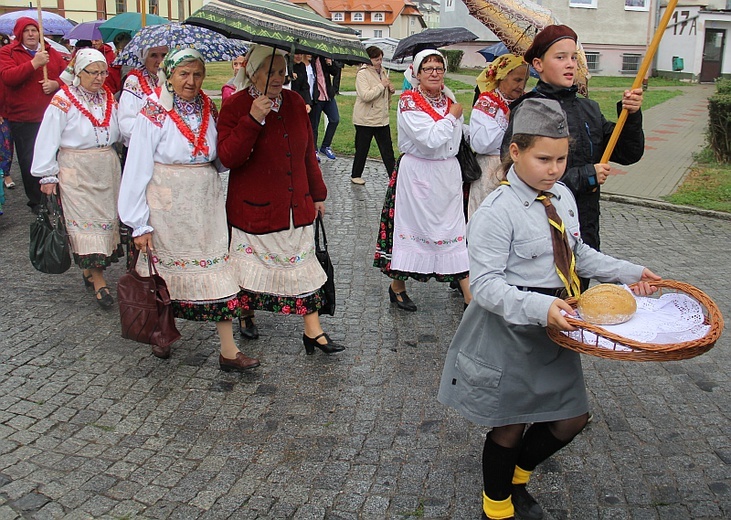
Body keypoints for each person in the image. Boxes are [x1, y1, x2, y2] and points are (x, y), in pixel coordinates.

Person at [438, 98, 661, 520]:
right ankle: (497, 506)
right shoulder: (497, 211)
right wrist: (543, 307)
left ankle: (519, 475)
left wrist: (629, 272)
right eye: (544, 159)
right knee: (510, 425)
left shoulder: (561, 195)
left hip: (556, 326)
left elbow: (577, 254)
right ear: (515, 153)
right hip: (510, 329)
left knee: (571, 418)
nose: (555, 169)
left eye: (561, 158)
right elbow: (484, 286)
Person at [118, 48, 260, 370]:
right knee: (163, 276)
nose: (191, 81)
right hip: (168, 206)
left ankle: (228, 350)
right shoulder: (153, 111)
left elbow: (218, 156)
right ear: (169, 75)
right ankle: (161, 334)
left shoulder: (209, 106)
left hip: (206, 204)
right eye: (183, 74)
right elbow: (137, 165)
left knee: (217, 273)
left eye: (197, 74)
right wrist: (138, 223)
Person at [217, 44, 345, 356]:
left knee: (303, 267)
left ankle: (313, 331)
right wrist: (253, 119)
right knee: (249, 270)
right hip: (254, 210)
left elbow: (306, 154)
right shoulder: (235, 106)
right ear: (252, 72)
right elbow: (228, 157)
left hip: (295, 206)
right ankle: (246, 313)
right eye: (270, 71)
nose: (279, 77)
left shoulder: (294, 101)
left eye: (281, 70)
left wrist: (318, 194)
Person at [501, 25, 645, 289]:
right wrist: (585, 175)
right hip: (539, 225)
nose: (570, 64)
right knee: (545, 300)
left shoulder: (588, 108)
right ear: (538, 64)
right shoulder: (530, 108)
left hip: (584, 222)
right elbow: (514, 170)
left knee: (578, 295)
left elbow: (628, 153)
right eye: (560, 57)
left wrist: (631, 115)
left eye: (574, 57)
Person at [373, 49, 472, 312]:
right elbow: (428, 139)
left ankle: (468, 294)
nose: (434, 73)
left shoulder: (448, 98)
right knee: (412, 231)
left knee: (453, 231)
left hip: (447, 174)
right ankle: (397, 286)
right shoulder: (408, 101)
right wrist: (452, 116)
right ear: (416, 73)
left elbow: (455, 136)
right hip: (418, 173)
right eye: (427, 68)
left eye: (439, 68)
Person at [31, 49, 123, 309]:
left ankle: (89, 269)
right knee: (85, 225)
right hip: (76, 169)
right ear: (78, 73)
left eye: (103, 72)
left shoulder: (108, 97)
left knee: (104, 223)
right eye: (92, 72)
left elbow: (120, 129)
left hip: (106, 167)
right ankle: (99, 280)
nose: (99, 78)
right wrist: (47, 174)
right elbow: (48, 136)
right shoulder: (63, 99)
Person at [0, 17, 65, 214]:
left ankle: (58, 197)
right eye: (26, 30)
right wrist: (34, 63)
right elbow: (9, 78)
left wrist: (56, 84)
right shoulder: (7, 52)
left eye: (34, 30)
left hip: (53, 117)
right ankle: (37, 202)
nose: (31, 34)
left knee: (56, 158)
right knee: (30, 161)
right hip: (24, 118)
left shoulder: (51, 53)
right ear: (19, 34)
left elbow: (68, 76)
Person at [468, 54, 528, 218]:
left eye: (525, 80)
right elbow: (481, 143)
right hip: (491, 170)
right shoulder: (487, 102)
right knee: (488, 218)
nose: (521, 85)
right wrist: (509, 123)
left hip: (517, 169)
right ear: (502, 77)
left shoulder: (524, 102)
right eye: (517, 80)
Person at [351, 45, 396, 185]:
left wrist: (390, 89)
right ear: (369, 59)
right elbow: (365, 95)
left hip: (381, 118)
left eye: (381, 59)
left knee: (387, 150)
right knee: (362, 149)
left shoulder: (382, 71)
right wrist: (382, 86)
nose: (379, 62)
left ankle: (394, 177)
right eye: (376, 59)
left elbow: (383, 94)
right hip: (365, 119)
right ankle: (355, 174)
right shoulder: (362, 73)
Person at [118, 45, 169, 146]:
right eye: (154, 55)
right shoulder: (134, 81)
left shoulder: (173, 79)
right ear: (144, 58)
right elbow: (126, 124)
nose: (160, 60)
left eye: (164, 55)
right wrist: (159, 135)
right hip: (142, 145)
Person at [309, 54, 341, 161]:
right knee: (315, 125)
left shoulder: (324, 58)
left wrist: (330, 63)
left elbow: (335, 72)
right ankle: (314, 150)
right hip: (316, 97)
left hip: (328, 95)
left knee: (335, 119)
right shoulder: (310, 59)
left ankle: (325, 146)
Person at [0, 36, 14, 191]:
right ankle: (6, 173)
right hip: (2, 112)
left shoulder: (10, 62)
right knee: (5, 145)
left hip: (15, 107)